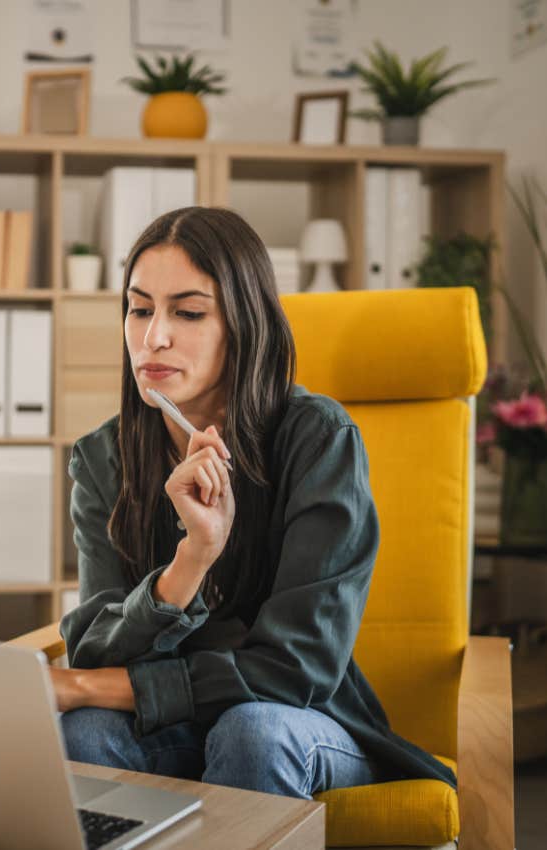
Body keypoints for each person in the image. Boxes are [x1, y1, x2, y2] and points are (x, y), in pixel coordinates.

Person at [49, 206, 456, 799]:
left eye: (188, 312)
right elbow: (93, 646)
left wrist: (92, 689)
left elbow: (295, 670)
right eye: (139, 309)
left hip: (306, 726)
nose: (153, 336)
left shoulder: (319, 440)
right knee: (83, 735)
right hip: (179, 729)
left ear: (244, 323)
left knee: (251, 734)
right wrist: (192, 560)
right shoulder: (101, 461)